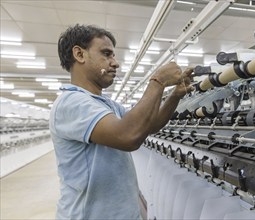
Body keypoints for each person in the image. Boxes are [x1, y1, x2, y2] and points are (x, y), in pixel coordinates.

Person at [50, 24, 193, 219]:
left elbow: (147, 125)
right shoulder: (72, 103)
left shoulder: (105, 104)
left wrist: (175, 96)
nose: (115, 63)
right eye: (106, 54)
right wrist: (158, 81)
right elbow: (128, 136)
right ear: (80, 54)